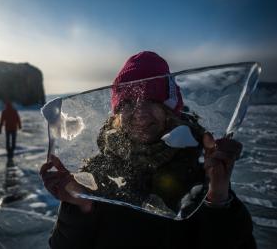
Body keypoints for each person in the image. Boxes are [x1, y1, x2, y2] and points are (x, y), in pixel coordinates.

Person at [40, 51, 255, 249]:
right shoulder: (96, 172)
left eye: (151, 101)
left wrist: (217, 199)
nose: (140, 114)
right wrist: (80, 206)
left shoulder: (198, 168)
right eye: (128, 102)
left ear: (170, 110)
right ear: (117, 113)